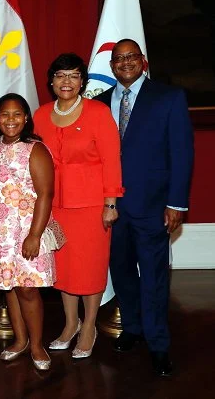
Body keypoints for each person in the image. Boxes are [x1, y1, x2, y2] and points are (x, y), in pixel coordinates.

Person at [95, 39, 194, 376]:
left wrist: (176, 203)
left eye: (131, 57)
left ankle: (158, 344)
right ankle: (134, 328)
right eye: (118, 59)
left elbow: (181, 154)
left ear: (143, 62)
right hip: (110, 208)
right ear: (111, 66)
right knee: (121, 272)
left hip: (152, 206)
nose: (125, 63)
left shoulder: (169, 98)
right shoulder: (97, 103)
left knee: (153, 277)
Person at [34, 53, 123, 359]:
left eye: (73, 75)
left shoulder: (98, 113)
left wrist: (111, 203)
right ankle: (70, 324)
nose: (66, 82)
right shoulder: (40, 115)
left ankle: (89, 327)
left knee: (90, 267)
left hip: (91, 206)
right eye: (60, 75)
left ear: (83, 81)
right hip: (53, 206)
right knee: (63, 269)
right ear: (51, 81)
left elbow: (112, 160)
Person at [0, 93, 57, 371]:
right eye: (5, 114)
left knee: (27, 289)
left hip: (26, 231)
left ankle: (37, 345)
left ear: (26, 118)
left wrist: (35, 235)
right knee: (9, 288)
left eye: (17, 114)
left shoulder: (35, 149)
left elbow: (45, 194)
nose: (11, 120)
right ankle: (20, 340)